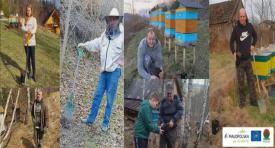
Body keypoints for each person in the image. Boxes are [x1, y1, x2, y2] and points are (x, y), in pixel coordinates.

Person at [78, 8, 123, 132]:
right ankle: (90, 119)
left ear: (118, 20)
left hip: (114, 71)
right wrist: (84, 45)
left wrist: (121, 62)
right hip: (103, 71)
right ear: (108, 20)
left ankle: (105, 124)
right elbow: (96, 43)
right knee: (97, 95)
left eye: (115, 18)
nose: (112, 21)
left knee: (109, 99)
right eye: (111, 19)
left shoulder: (122, 35)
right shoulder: (105, 34)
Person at [230, 8, 258, 108]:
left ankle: (253, 101)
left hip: (248, 59)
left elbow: (255, 36)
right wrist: (233, 52)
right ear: (239, 17)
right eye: (241, 16)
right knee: (241, 84)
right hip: (239, 61)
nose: (242, 18)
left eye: (244, 16)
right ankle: (242, 102)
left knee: (251, 81)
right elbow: (231, 42)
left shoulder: (250, 26)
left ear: (246, 16)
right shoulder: (236, 28)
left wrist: (253, 45)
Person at [159, 84, 183, 148]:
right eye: (168, 94)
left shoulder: (177, 100)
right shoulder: (163, 100)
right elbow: (160, 114)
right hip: (164, 127)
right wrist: (160, 122)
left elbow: (180, 110)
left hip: (172, 128)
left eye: (171, 94)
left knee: (171, 145)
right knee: (162, 146)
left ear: (173, 93)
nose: (169, 96)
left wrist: (173, 120)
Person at [19, 4, 37, 82]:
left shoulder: (34, 19)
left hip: (32, 42)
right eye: (27, 10)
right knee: (27, 58)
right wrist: (22, 24)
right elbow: (22, 28)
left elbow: (35, 29)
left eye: (29, 10)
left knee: (32, 58)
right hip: (26, 42)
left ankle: (34, 74)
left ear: (31, 11)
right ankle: (29, 72)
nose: (28, 11)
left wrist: (31, 31)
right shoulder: (24, 19)